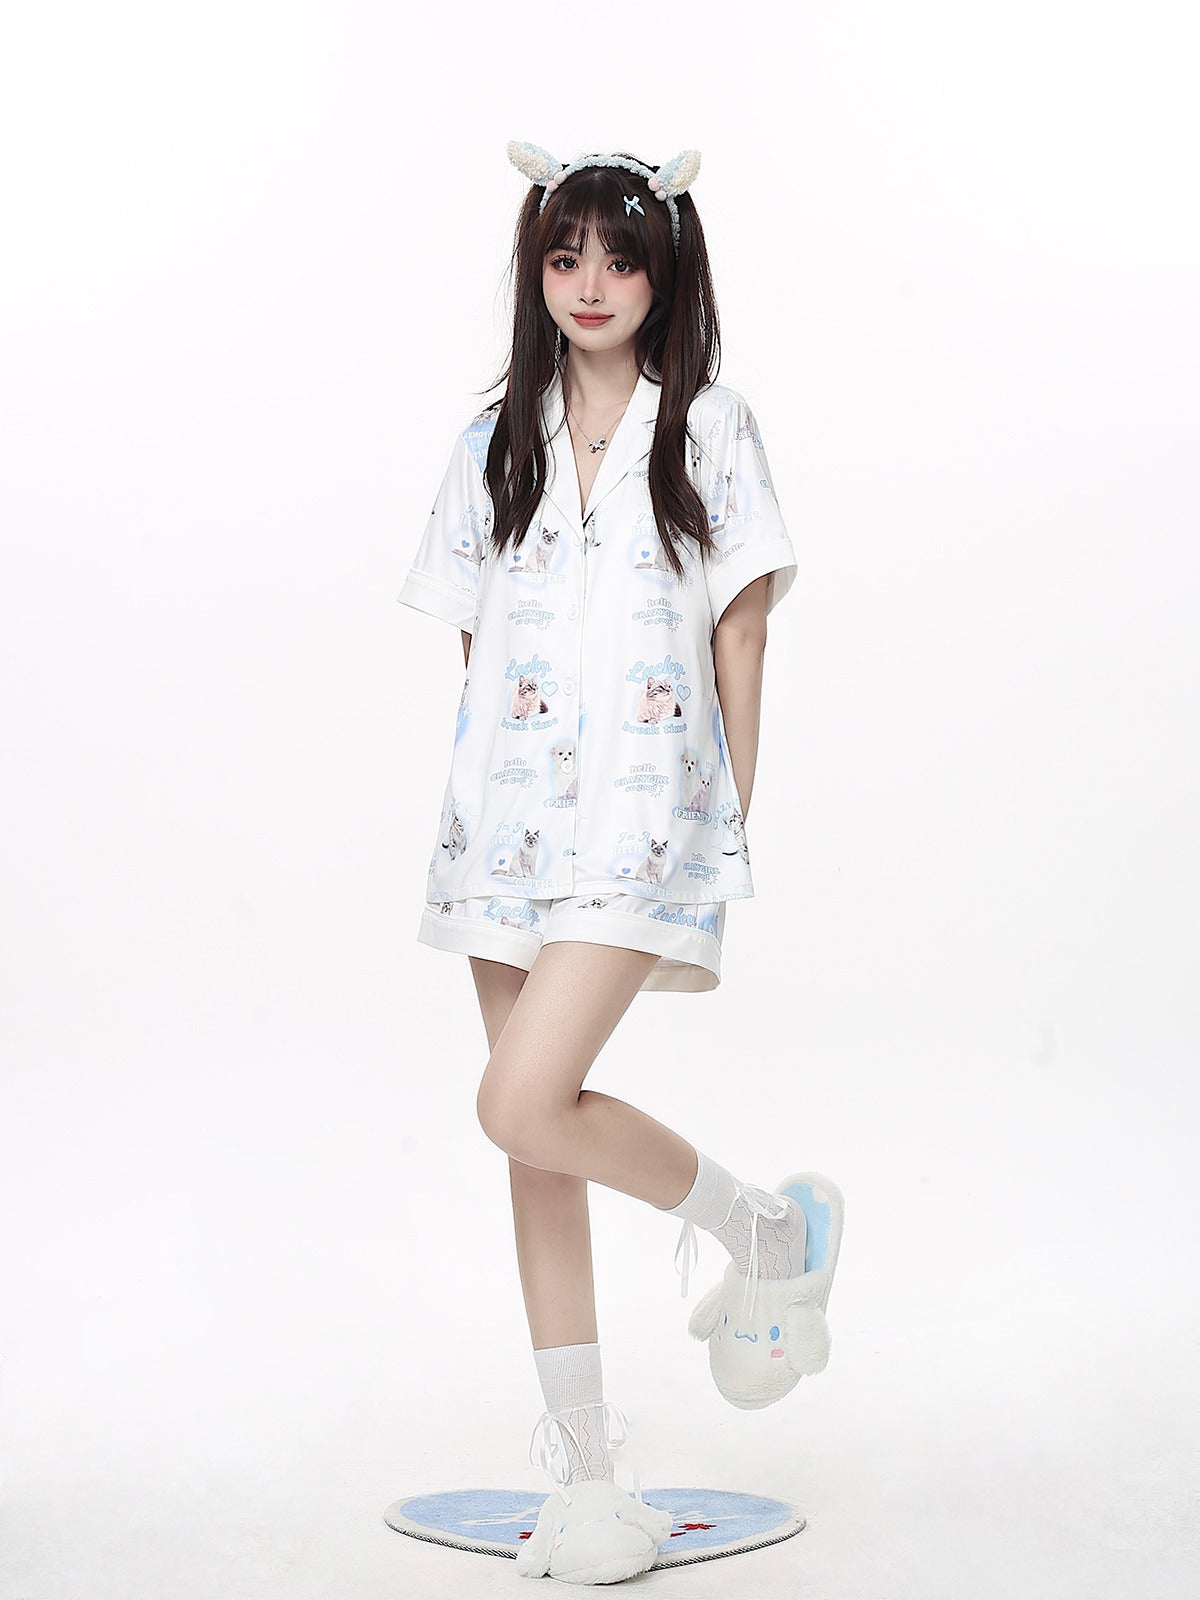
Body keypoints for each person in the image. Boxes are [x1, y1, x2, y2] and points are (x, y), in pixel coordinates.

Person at [397, 140, 844, 1586]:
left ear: (665, 273)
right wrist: (485, 804)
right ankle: (588, 1482)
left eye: (619, 257)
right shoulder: (495, 439)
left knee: (518, 1098)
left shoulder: (709, 429)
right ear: (538, 267)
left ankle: (758, 1231)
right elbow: (476, 641)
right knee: (533, 1144)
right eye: (565, 255)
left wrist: (726, 815)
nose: (590, 284)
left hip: (646, 826)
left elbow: (742, 629)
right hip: (501, 835)